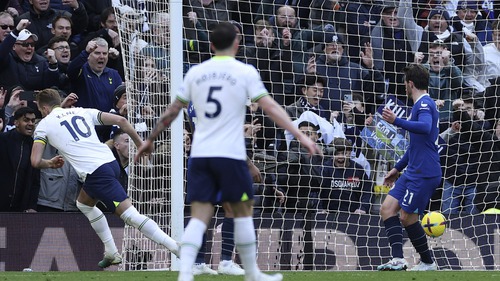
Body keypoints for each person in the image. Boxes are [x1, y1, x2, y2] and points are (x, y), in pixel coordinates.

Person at [135, 22, 320, 281]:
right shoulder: (244, 71)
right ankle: (249, 271)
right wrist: (300, 134)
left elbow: (172, 111)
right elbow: (271, 107)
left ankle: (187, 272)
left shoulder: (195, 72)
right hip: (230, 154)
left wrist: (150, 139)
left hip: (199, 155)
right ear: (237, 43)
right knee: (242, 210)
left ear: (211, 45)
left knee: (200, 214)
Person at [30, 88, 179, 268]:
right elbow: (121, 120)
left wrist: (50, 163)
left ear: (44, 108)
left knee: (130, 216)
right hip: (110, 163)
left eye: (40, 110)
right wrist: (140, 143)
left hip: (97, 172)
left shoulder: (44, 125)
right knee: (84, 203)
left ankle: (176, 248)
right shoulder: (83, 111)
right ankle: (110, 251)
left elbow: (35, 161)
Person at [377, 64, 441, 271]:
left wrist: (397, 120)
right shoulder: (419, 105)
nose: (404, 86)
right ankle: (398, 259)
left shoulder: (424, 104)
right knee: (387, 209)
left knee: (407, 217)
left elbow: (425, 127)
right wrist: (396, 168)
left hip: (424, 173)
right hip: (413, 170)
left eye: (405, 83)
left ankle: (428, 262)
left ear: (410, 84)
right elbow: (415, 146)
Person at [0, 107, 40, 212]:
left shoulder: (35, 146)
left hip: (20, 209)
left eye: (33, 121)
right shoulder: (3, 140)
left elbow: (35, 180)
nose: (31, 123)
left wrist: (32, 206)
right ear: (16, 123)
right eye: (26, 120)